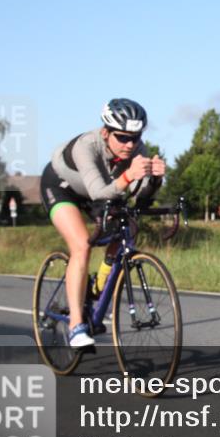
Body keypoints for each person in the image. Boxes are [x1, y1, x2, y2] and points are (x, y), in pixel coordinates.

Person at [40, 99, 166, 347]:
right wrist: (130, 175)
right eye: (122, 138)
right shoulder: (87, 146)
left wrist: (154, 180)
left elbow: (137, 196)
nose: (130, 145)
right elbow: (99, 191)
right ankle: (77, 326)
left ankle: (96, 286)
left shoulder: (136, 150)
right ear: (106, 132)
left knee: (127, 227)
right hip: (62, 188)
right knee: (81, 246)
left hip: (101, 192)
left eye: (136, 137)